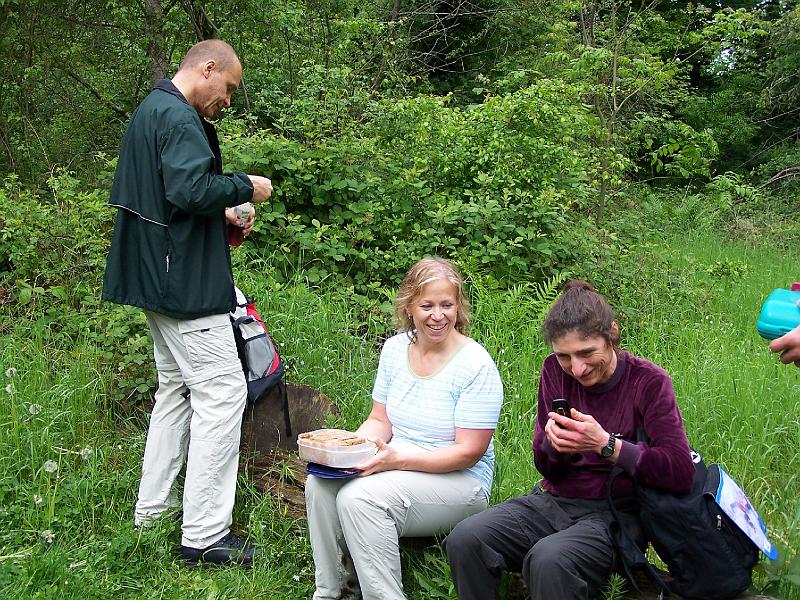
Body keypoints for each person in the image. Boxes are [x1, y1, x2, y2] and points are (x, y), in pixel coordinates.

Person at [101, 39, 273, 566]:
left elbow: (167, 195)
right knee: (222, 396)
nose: (228, 99)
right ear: (209, 67)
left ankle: (151, 513)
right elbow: (191, 188)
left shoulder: (151, 109)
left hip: (156, 278)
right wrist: (247, 187)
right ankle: (203, 536)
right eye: (229, 88)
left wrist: (219, 218)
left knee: (175, 392)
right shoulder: (177, 119)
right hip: (184, 288)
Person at [446, 280, 696, 600]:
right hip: (555, 502)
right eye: (565, 356)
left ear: (612, 335)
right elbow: (548, 470)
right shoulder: (554, 370)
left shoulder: (648, 381)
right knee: (466, 538)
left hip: (617, 516)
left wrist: (606, 445)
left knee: (549, 560)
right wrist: (553, 445)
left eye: (586, 352)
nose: (576, 368)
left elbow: (679, 470)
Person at [304, 257, 504, 600]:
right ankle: (334, 590)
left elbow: (468, 452)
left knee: (359, 498)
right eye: (427, 305)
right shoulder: (396, 349)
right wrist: (353, 449)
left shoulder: (476, 365)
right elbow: (380, 419)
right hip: (399, 461)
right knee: (320, 484)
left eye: (447, 305)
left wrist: (395, 461)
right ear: (409, 307)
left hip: (460, 481)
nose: (438, 315)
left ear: (459, 306)